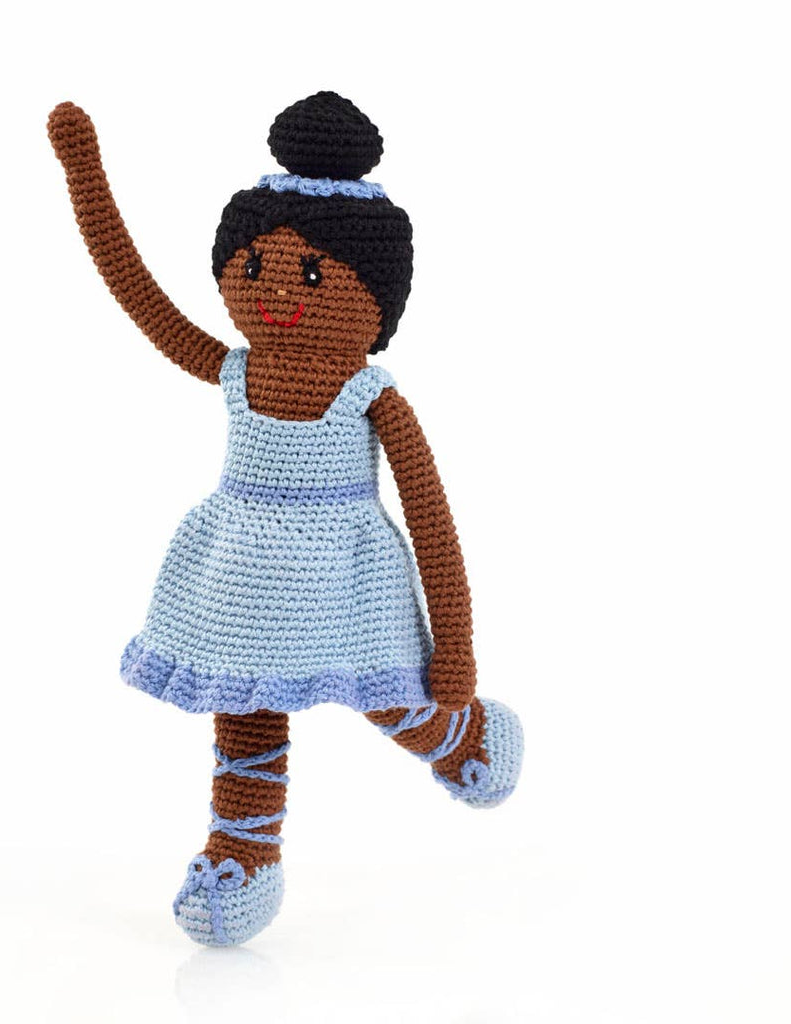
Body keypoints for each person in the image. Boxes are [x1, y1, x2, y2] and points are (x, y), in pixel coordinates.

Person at [48, 90, 524, 946]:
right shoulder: (235, 369)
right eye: (253, 266)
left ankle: (459, 735)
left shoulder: (373, 397)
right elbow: (141, 297)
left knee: (390, 695)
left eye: (309, 274)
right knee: (243, 704)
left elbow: (433, 525)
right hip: (242, 572)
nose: (274, 292)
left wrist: (455, 653)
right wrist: (86, 175)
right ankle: (243, 849)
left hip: (346, 579)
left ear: (375, 298)